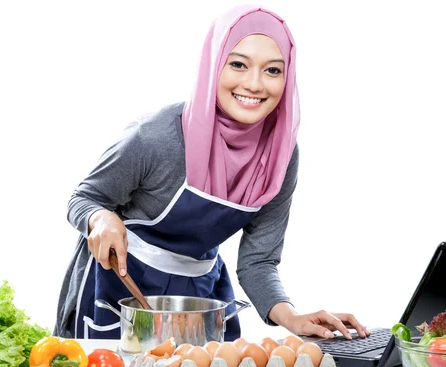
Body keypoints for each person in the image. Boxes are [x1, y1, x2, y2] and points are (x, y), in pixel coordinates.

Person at [54, 4, 371, 342]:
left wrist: (292, 318)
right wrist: (99, 218)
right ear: (213, 64)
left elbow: (259, 262)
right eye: (237, 64)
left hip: (198, 299)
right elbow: (85, 198)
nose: (254, 84)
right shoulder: (156, 137)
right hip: (119, 293)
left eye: (273, 70)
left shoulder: (280, 156)